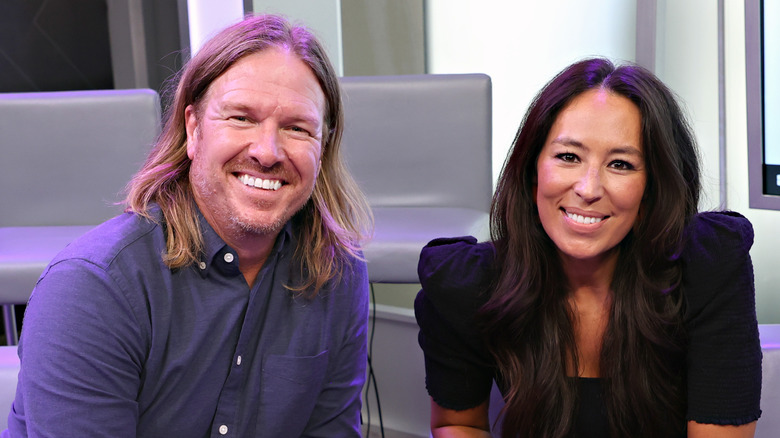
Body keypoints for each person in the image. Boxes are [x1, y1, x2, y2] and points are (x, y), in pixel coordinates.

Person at [5, 14, 373, 437]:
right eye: (241, 118)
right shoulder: (92, 288)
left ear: (323, 147)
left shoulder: (338, 271)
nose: (268, 151)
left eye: (296, 128)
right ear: (193, 128)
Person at [415, 58, 761, 438]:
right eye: (568, 157)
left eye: (621, 164)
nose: (588, 188)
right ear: (532, 172)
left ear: (654, 188)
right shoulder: (466, 284)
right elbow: (458, 423)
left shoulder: (708, 268)